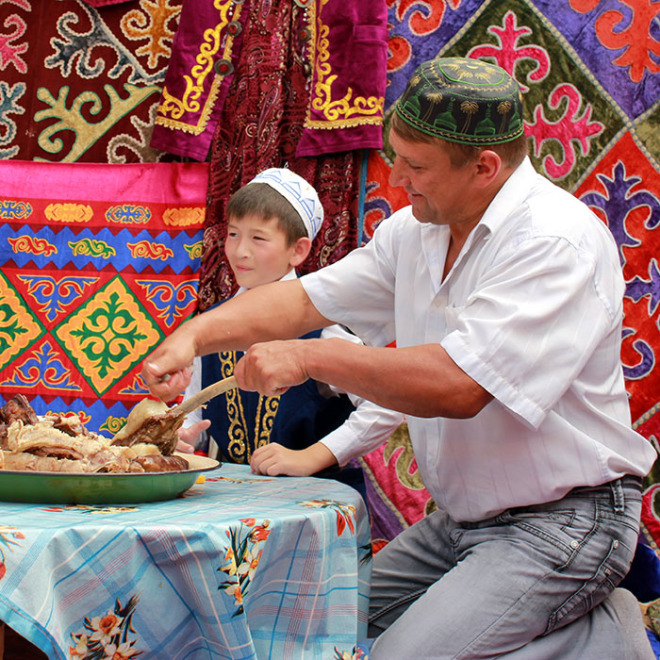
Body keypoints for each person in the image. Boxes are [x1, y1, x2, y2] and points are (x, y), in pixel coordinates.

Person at [142, 58, 657, 658]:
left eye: (415, 167)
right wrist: (192, 338)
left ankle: (599, 634)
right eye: (396, 158)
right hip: (462, 524)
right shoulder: (416, 231)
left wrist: (314, 361)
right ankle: (571, 628)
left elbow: (460, 386)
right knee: (306, 628)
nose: (398, 180)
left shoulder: (553, 240)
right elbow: (308, 298)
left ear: (485, 167)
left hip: (566, 524)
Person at [177, 167, 404, 490]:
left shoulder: (324, 329)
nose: (240, 250)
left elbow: (386, 404)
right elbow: (194, 410)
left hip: (312, 505)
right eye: (233, 234)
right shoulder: (211, 327)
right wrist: (182, 437)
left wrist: (311, 457)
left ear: (297, 250)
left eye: (258, 238)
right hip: (227, 504)